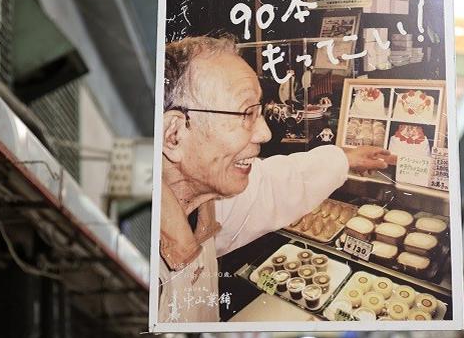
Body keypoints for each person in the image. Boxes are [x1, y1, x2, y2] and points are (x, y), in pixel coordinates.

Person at [157, 35, 390, 322]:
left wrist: (346, 158)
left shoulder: (205, 203)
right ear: (174, 135)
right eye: (246, 113)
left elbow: (275, 182)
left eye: (259, 112)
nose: (264, 134)